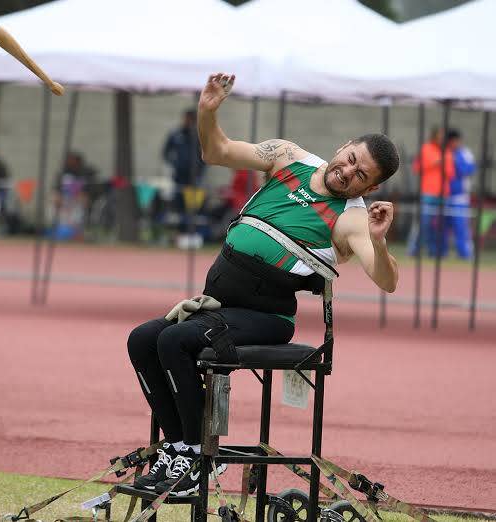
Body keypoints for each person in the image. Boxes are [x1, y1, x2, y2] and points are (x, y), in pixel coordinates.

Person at [127, 73, 399, 496]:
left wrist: (379, 243)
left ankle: (200, 458)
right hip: (221, 305)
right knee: (142, 339)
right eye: (349, 158)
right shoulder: (288, 157)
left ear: (372, 186)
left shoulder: (351, 218)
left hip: (266, 317)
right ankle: (178, 446)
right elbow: (216, 151)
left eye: (360, 174)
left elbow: (386, 281)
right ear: (343, 145)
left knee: (174, 341)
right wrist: (207, 112)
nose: (347, 172)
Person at [408, 127, 455, 257]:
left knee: (439, 225)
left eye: (443, 135)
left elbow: (451, 173)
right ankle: (414, 250)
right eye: (440, 134)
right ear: (434, 135)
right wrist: (434, 163)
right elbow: (417, 168)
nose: (442, 137)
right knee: (424, 223)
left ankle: (434, 252)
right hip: (428, 193)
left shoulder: (448, 152)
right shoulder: (426, 148)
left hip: (443, 194)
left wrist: (444, 165)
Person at [162, 108, 206, 236]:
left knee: (194, 206)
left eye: (191, 119)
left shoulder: (199, 136)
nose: (188, 121)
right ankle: (180, 232)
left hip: (194, 177)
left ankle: (192, 232)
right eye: (186, 118)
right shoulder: (175, 134)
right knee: (179, 203)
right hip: (179, 176)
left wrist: (200, 170)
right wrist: (174, 164)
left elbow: (206, 155)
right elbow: (165, 152)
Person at [444, 129, 476, 259]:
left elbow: (470, 170)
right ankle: (442, 252)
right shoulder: (444, 152)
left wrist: (456, 161)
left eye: (455, 141)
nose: (453, 143)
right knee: (443, 226)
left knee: (460, 226)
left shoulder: (465, 153)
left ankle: (464, 254)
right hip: (444, 195)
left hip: (460, 197)